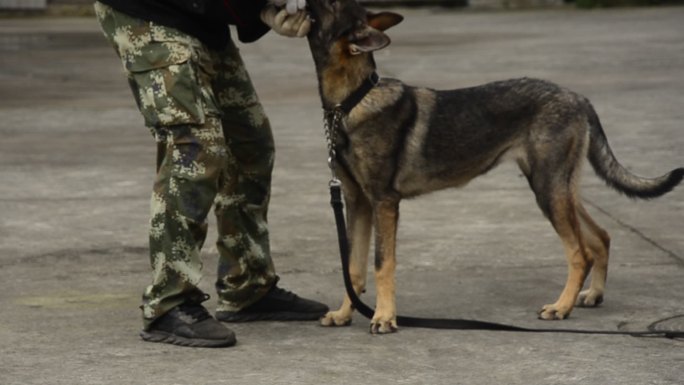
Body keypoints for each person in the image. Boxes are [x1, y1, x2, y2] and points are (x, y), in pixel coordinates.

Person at [93, 0, 327, 348]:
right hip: (149, 11)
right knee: (195, 149)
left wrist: (260, 12)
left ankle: (247, 284)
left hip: (202, 16)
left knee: (250, 146)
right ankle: (169, 302)